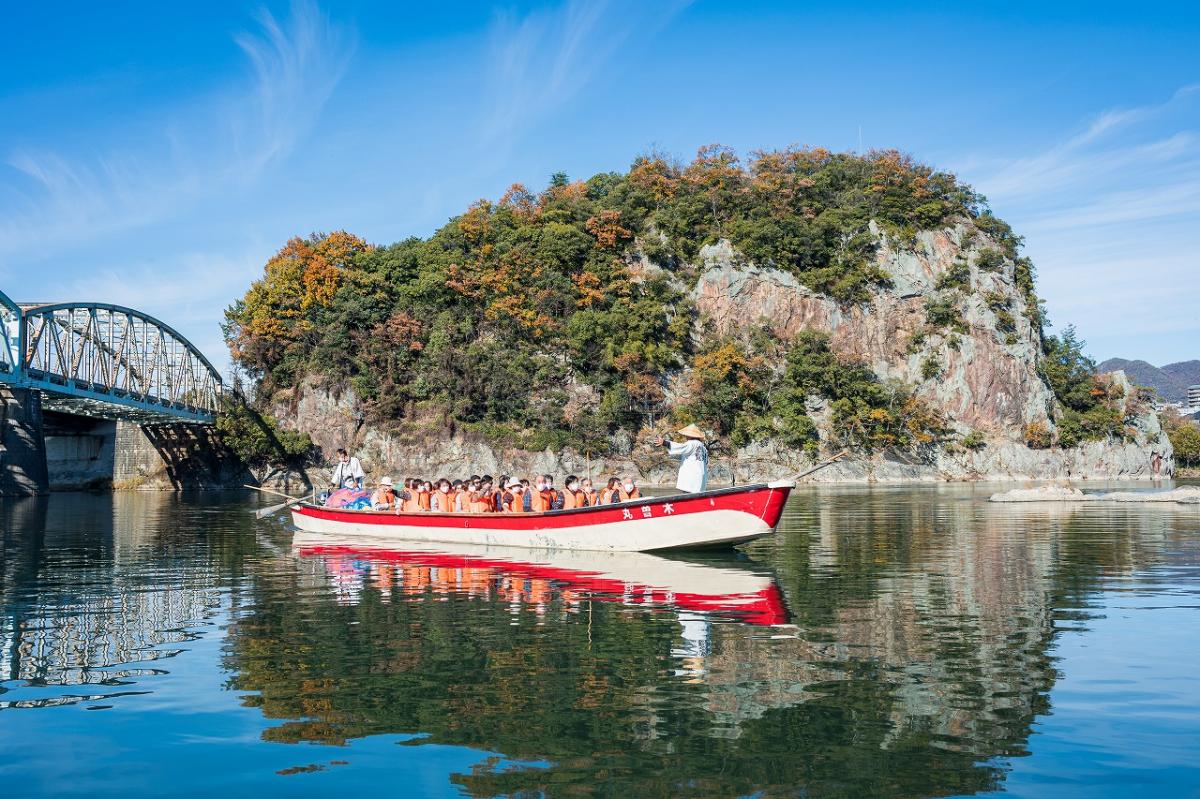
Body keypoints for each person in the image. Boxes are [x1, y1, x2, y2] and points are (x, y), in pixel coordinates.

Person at [655, 424, 709, 493]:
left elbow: (681, 447)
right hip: (701, 477)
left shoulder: (692, 443)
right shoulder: (702, 446)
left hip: (692, 477)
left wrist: (665, 443)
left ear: (690, 435)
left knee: (689, 496)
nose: (685, 436)